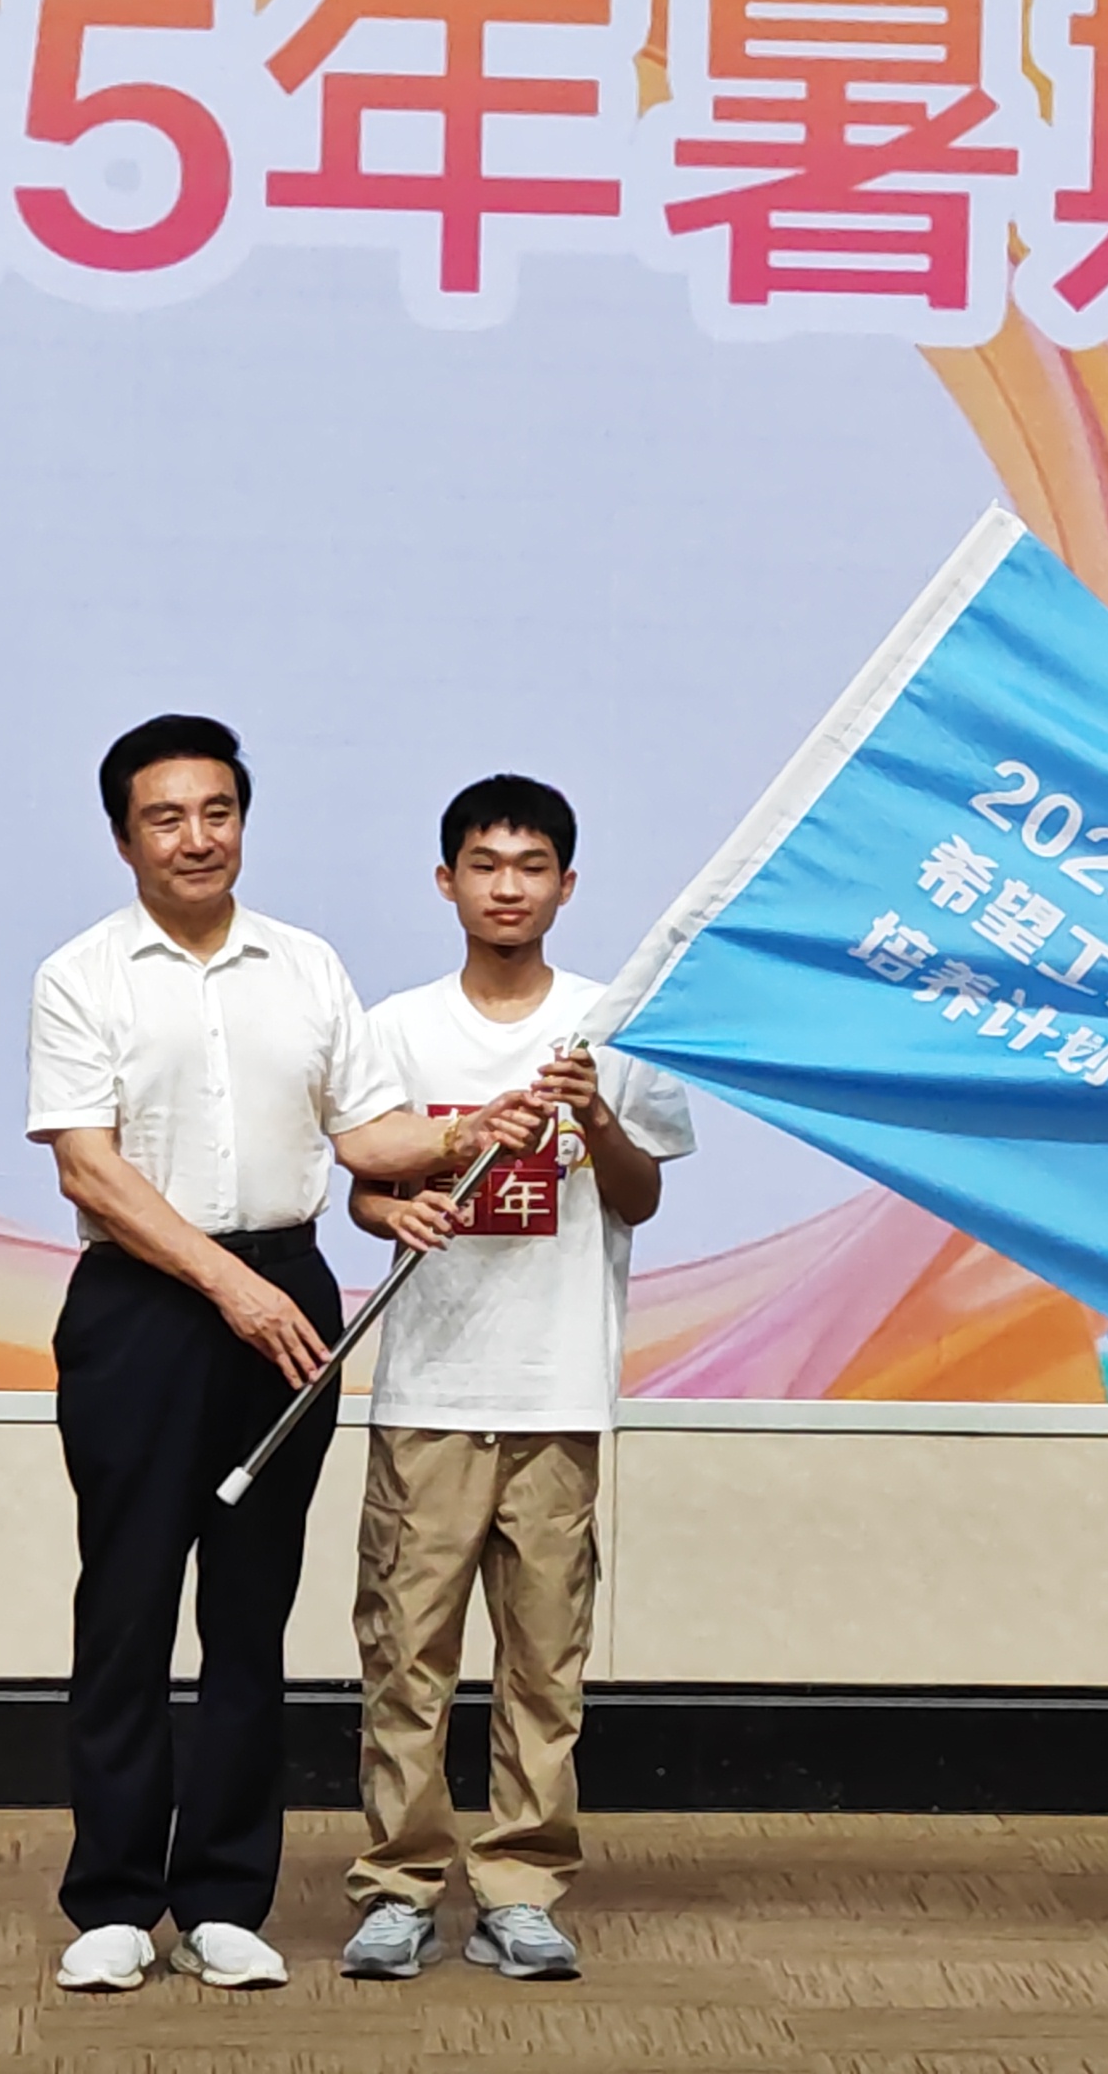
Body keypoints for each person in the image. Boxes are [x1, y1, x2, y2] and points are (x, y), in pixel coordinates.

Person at [27, 715, 548, 1996]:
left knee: (250, 1611)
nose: (196, 837)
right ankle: (113, 1903)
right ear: (124, 838)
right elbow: (90, 1166)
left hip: (288, 1294)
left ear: (242, 824)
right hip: (142, 1306)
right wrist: (226, 1286)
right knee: (126, 1603)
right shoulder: (81, 975)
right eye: (167, 817)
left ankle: (222, 1900)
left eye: (217, 812)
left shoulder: (307, 966)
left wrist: (474, 1127)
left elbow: (369, 1139)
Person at [336, 776, 696, 1983]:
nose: (507, 887)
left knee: (545, 1663)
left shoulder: (609, 1028)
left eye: (531, 867)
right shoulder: (396, 1028)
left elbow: (641, 1197)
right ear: (447, 882)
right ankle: (398, 1887)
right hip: (430, 1395)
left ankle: (522, 1889)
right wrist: (397, 1207)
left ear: (566, 885)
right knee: (406, 1656)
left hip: (559, 1392)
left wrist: (597, 1121)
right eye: (484, 865)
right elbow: (365, 1190)